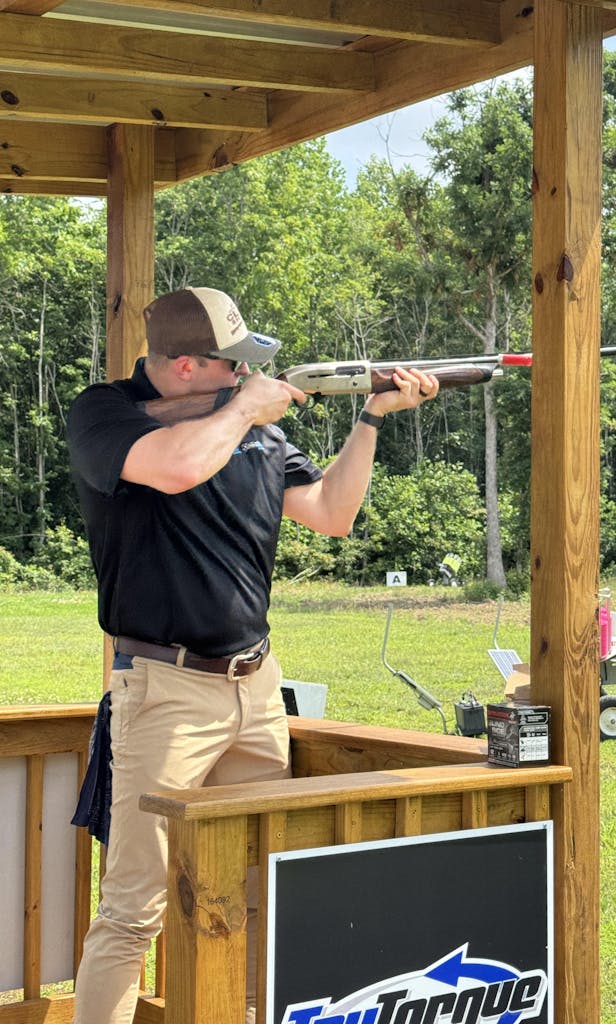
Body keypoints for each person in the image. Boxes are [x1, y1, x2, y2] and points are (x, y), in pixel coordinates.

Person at [66, 285, 439, 1024]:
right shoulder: (106, 412)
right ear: (183, 366)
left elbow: (332, 513)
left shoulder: (259, 435)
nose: (246, 375)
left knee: (259, 897)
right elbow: (174, 469)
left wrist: (371, 416)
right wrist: (245, 410)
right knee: (133, 910)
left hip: (256, 686)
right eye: (231, 365)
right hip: (165, 687)